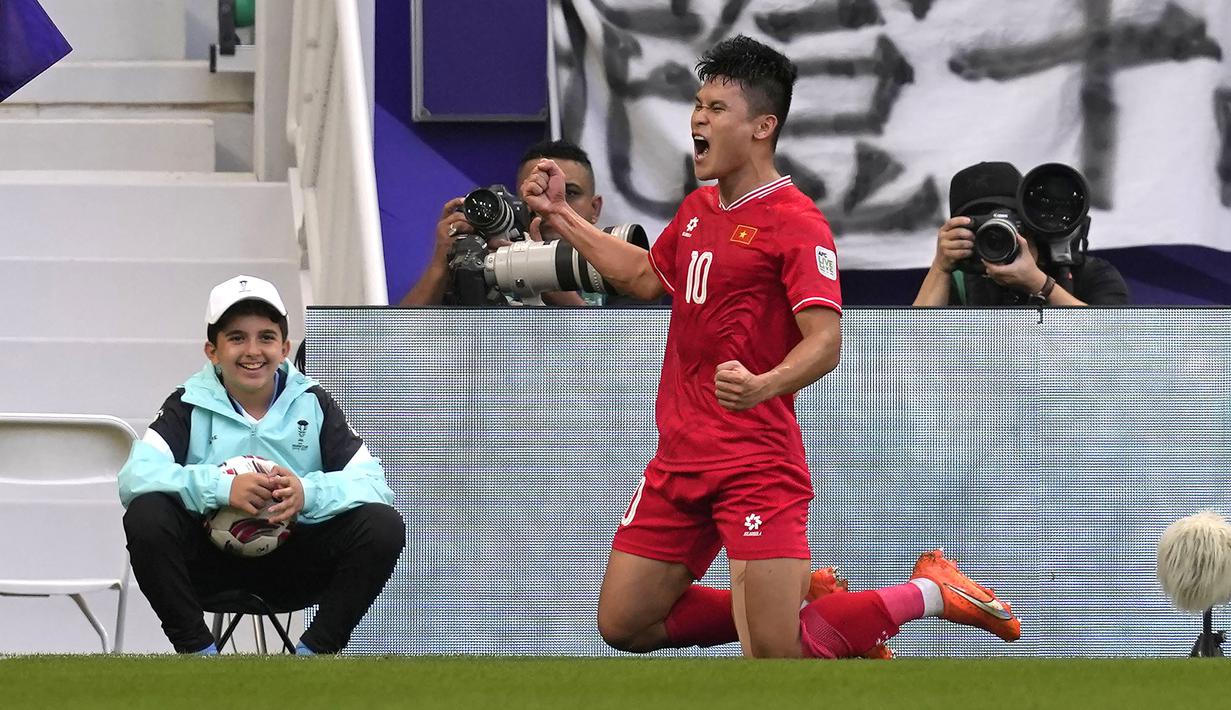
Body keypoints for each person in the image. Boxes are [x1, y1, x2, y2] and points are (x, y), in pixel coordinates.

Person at [521, 35, 1021, 659]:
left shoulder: (796, 220)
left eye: (716, 108)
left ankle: (927, 592)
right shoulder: (701, 207)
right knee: (625, 623)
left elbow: (826, 342)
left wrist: (764, 384)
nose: (698, 119)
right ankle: (799, 596)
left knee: (773, 664)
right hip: (679, 459)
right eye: (696, 106)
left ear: (763, 126)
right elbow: (647, 275)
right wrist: (565, 217)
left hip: (756, 465)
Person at [118, 275, 405, 655]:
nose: (253, 351)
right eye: (236, 337)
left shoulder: (313, 402)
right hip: (209, 567)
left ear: (285, 347)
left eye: (266, 337)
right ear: (212, 351)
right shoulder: (187, 403)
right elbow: (134, 477)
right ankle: (198, 655)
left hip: (295, 565)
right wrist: (222, 487)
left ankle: (315, 654)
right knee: (146, 513)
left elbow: (375, 485)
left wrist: (307, 493)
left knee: (383, 524)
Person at [399, 139, 603, 307]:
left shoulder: (615, 266)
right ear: (519, 202)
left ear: (596, 208)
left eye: (571, 193)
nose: (553, 203)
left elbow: (616, 348)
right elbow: (394, 344)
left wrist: (536, 272)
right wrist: (441, 264)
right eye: (538, 191)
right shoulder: (485, 266)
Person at [913, 161, 1130, 306]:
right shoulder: (958, 282)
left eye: (1009, 224)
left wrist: (1039, 284)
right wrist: (940, 268)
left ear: (1031, 224)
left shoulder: (1090, 274)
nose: (996, 237)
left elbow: (1113, 342)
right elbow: (910, 350)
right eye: (982, 230)